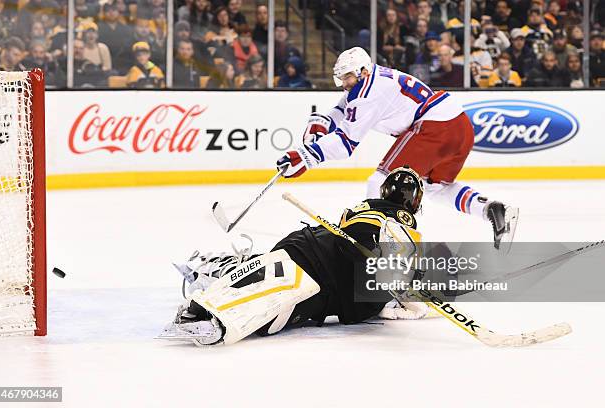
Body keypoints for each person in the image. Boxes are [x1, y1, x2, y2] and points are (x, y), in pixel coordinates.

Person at [275, 47, 519, 250]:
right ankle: (491, 209)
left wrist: (307, 156)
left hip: (435, 125)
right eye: (341, 78)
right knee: (436, 188)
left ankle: (373, 249)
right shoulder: (370, 80)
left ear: (362, 72)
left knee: (380, 182)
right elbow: (343, 107)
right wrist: (325, 122)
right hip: (457, 125)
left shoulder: (368, 94)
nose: (344, 83)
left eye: (347, 77)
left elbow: (345, 143)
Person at [159, 166, 430, 346]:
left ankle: (218, 273)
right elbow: (374, 251)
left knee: (266, 269)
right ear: (414, 200)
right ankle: (216, 317)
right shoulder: (401, 219)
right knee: (278, 312)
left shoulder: (365, 205)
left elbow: (358, 246)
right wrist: (398, 289)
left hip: (303, 243)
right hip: (324, 277)